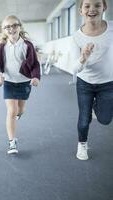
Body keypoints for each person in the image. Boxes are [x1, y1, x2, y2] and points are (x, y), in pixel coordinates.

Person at [70, 0, 113, 160]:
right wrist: (83, 57)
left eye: (97, 5)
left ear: (104, 7)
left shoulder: (112, 28)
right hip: (85, 83)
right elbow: (75, 69)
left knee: (105, 119)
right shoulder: (76, 37)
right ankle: (82, 145)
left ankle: (95, 107)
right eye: (87, 6)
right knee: (84, 118)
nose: (92, 9)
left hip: (108, 83)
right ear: (81, 10)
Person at [0, 15, 40, 154]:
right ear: (4, 30)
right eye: (7, 27)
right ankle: (12, 142)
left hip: (24, 82)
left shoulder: (27, 45)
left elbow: (35, 63)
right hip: (9, 82)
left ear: (20, 27)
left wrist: (36, 77)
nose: (11, 29)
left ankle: (19, 114)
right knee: (11, 111)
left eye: (14, 25)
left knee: (20, 109)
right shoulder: (1, 47)